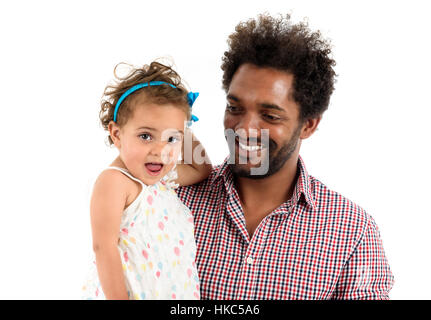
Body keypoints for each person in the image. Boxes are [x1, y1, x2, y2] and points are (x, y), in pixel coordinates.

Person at [176, 14, 395, 299]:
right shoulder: (174, 197)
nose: (243, 129)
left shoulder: (353, 233)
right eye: (235, 108)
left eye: (269, 115)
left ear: (308, 125)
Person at [82, 61, 211, 300]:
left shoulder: (162, 182)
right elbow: (104, 248)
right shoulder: (115, 182)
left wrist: (181, 122)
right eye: (145, 136)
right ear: (117, 134)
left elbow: (202, 168)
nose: (160, 150)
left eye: (171, 138)